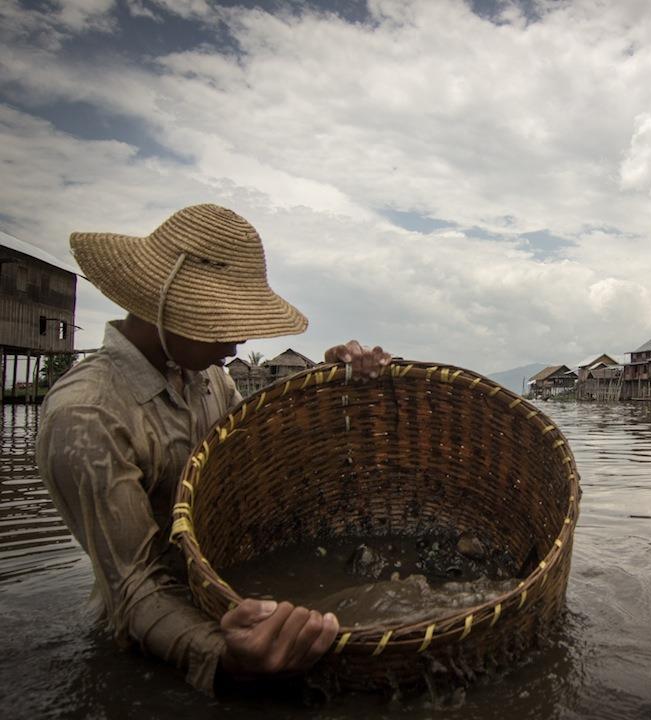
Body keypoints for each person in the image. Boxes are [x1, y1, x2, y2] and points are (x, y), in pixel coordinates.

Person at [35, 203, 391, 694]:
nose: (241, 338)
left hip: (227, 594)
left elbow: (261, 461)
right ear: (169, 310)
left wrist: (329, 387)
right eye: (223, 323)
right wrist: (223, 655)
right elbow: (135, 588)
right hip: (156, 636)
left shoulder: (210, 381)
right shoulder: (87, 416)